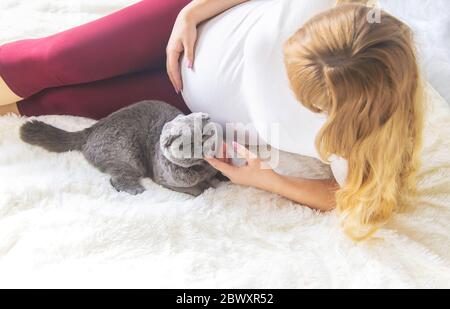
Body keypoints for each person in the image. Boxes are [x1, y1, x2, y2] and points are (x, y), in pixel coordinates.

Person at [0, 0, 424, 240]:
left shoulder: (366, 136)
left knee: (53, 102)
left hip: (178, 110)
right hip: (185, 29)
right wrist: (191, 14)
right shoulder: (345, 10)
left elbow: (352, 197)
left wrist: (266, 180)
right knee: (48, 60)